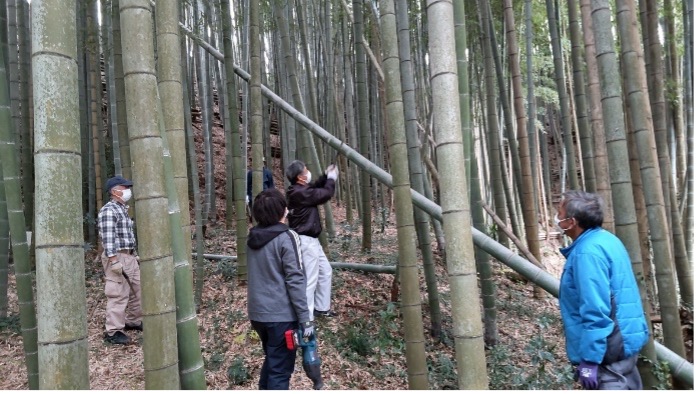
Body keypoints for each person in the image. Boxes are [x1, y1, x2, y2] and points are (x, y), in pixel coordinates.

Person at [555, 190, 649, 390]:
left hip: (608, 351)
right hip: (624, 342)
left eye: (560, 213)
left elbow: (596, 309)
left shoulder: (587, 253)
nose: (557, 218)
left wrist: (590, 359)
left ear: (572, 222)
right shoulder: (607, 239)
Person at [247, 188, 313, 390]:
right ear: (283, 211)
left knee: (273, 362)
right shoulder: (287, 237)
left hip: (258, 315)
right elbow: (295, 280)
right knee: (280, 371)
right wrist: (305, 319)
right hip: (281, 317)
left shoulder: (251, 238)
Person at [285, 160, 338, 319]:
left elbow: (315, 187)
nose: (309, 172)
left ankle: (322, 308)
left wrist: (325, 175)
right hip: (305, 241)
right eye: (306, 170)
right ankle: (306, 318)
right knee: (310, 280)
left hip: (312, 241)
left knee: (325, 272)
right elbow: (324, 194)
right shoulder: (299, 193)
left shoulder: (300, 190)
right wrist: (332, 179)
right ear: (300, 178)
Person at [97, 176, 143, 345]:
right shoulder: (109, 210)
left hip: (128, 256)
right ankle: (113, 331)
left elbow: (127, 236)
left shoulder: (122, 209)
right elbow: (108, 237)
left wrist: (134, 254)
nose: (127, 191)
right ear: (114, 191)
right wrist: (113, 260)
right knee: (118, 293)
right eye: (124, 188)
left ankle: (134, 320)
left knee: (137, 289)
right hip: (117, 256)